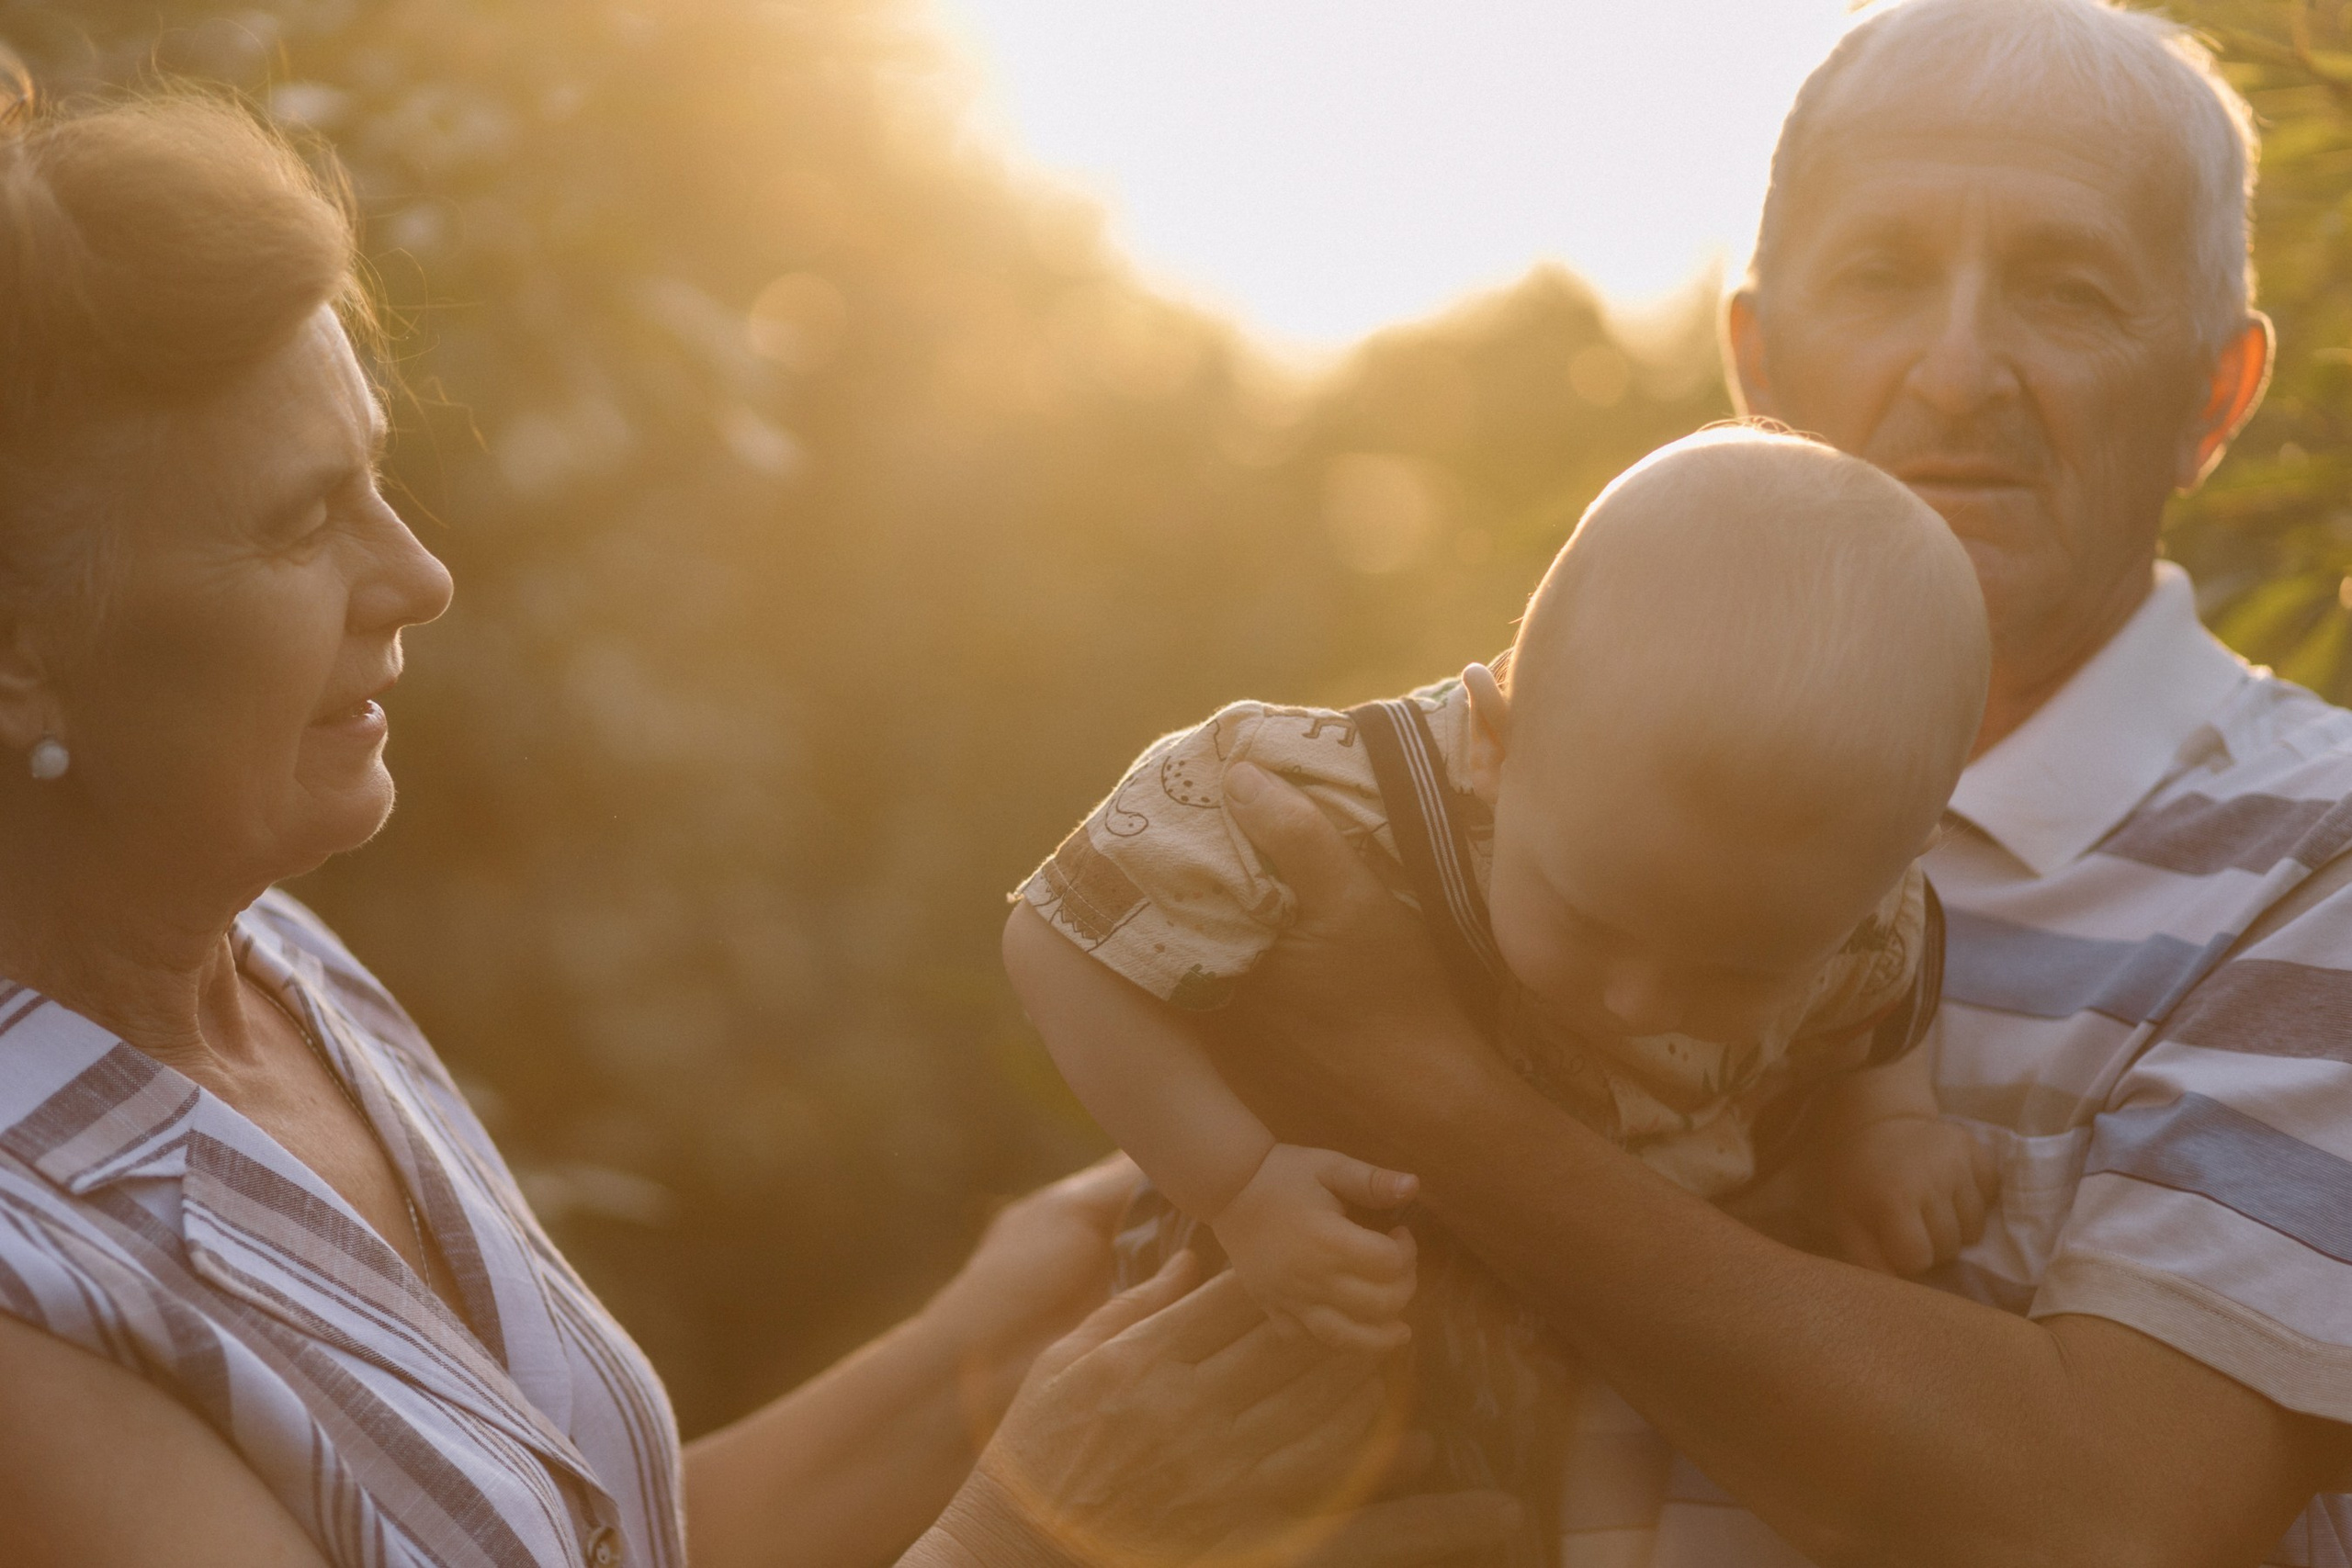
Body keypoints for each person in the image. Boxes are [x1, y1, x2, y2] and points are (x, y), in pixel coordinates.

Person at [0, 89, 1522, 1568]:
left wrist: (996, 1331)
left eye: (380, 479)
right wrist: (1037, 1522)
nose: (417, 575)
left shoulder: (274, 968)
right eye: (298, 520)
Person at [1194, 1, 2352, 1563]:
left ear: (2216, 396)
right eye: (1881, 277)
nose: (1955, 371)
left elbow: (2114, 1514)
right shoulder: (1551, 758)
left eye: (2066, 291)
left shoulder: (2317, 857)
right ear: (1757, 362)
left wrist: (1430, 1098)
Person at [1004, 429, 1991, 1563]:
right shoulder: (1318, 794)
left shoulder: (1852, 906)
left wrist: (1889, 1121)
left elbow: (1894, 967)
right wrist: (1236, 1178)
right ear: (1492, 746)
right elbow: (1060, 935)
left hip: (1573, 1352)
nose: (1638, 999)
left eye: (1739, 971)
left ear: (1899, 860)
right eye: (1590, 921)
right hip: (1294, 1293)